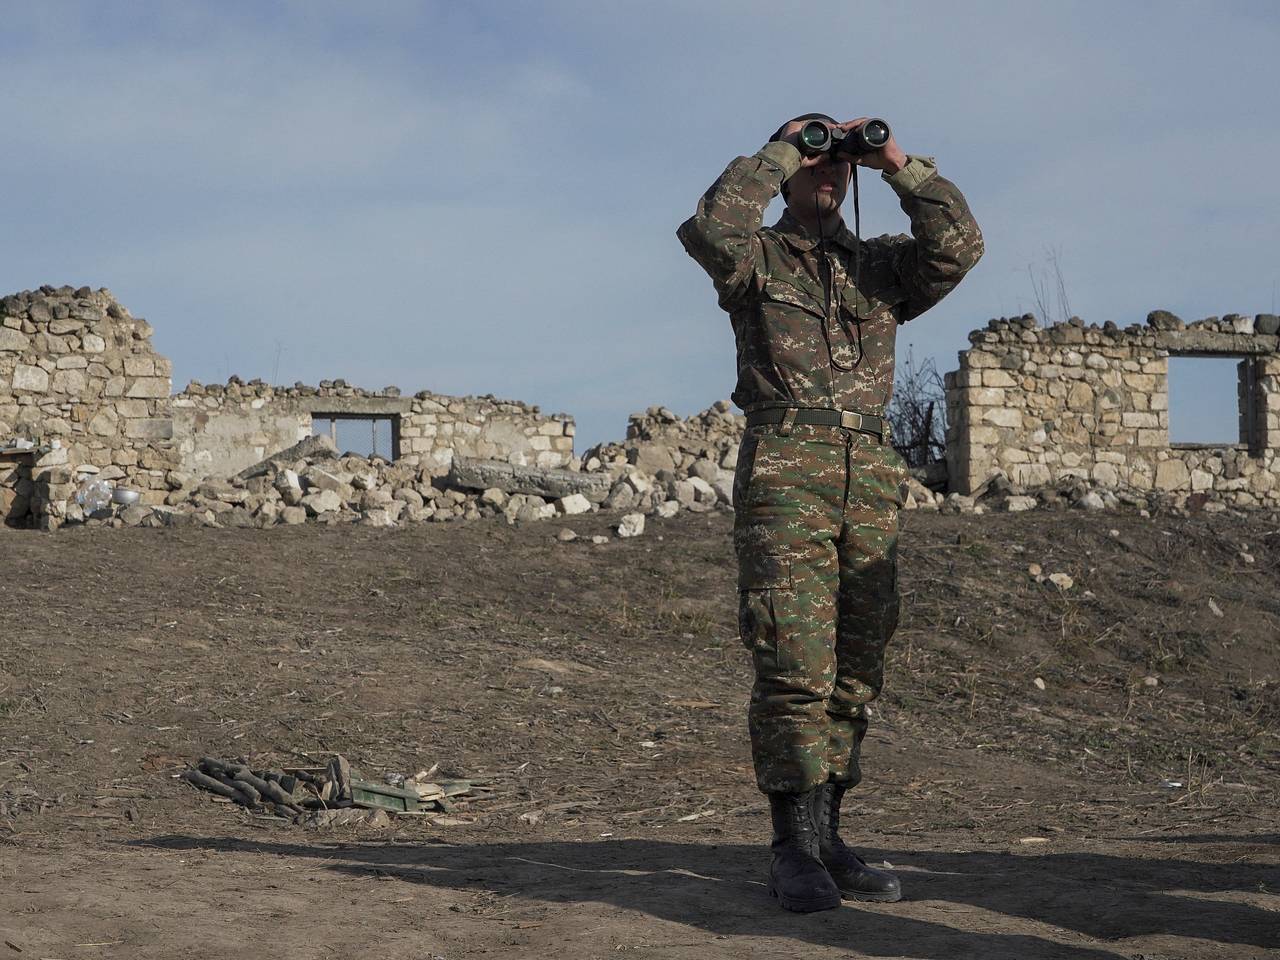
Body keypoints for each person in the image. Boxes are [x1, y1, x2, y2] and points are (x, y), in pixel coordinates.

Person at [676, 113, 983, 912]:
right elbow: (711, 229)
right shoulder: (757, 257)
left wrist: (894, 163)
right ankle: (793, 848)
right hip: (786, 472)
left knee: (857, 666)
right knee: (792, 661)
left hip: (871, 479)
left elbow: (959, 248)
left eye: (834, 162)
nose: (826, 170)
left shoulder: (880, 268)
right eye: (815, 159)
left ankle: (830, 836)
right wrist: (783, 148)